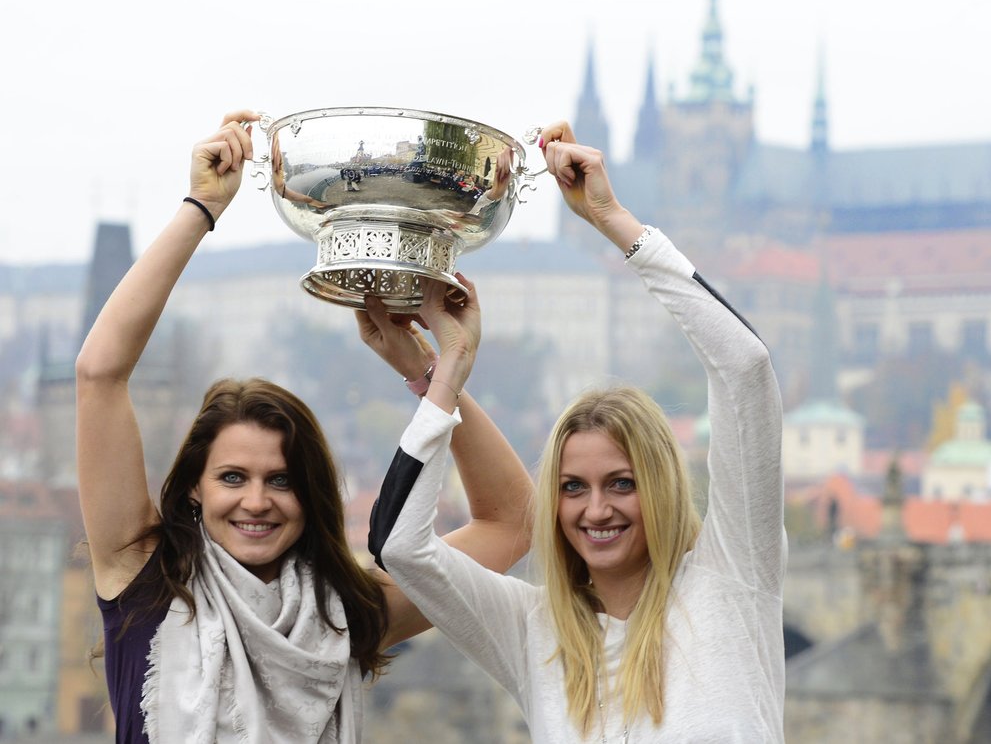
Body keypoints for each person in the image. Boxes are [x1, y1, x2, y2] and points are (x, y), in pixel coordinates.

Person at [76, 111, 533, 743]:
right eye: (233, 476)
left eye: (282, 480)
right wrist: (201, 208)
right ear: (193, 490)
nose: (256, 501)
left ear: (311, 496)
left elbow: (511, 522)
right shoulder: (145, 587)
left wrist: (431, 369)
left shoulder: (347, 614)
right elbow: (100, 375)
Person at [370, 121, 787, 742]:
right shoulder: (531, 627)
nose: (597, 509)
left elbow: (746, 365)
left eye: (621, 482)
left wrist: (610, 218)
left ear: (661, 486)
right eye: (572, 487)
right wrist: (444, 375)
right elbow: (401, 549)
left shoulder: (733, 577)